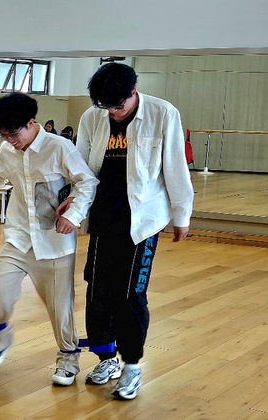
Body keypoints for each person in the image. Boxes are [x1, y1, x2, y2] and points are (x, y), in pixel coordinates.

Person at [66, 62, 193, 400]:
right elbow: (81, 168)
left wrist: (182, 214)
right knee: (97, 291)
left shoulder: (163, 114)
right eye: (106, 106)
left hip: (142, 221)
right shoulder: (93, 117)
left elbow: (175, 166)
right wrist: (73, 205)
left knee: (129, 295)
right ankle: (107, 358)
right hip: (102, 217)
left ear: (134, 91)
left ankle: (133, 366)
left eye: (118, 105)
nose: (113, 112)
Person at [0, 92, 98, 386]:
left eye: (14, 134)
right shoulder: (7, 149)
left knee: (60, 308)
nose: (10, 140)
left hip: (54, 243)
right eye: (3, 135)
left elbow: (87, 182)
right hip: (18, 237)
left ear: (31, 122)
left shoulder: (59, 147)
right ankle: (0, 335)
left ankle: (68, 359)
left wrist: (74, 214)